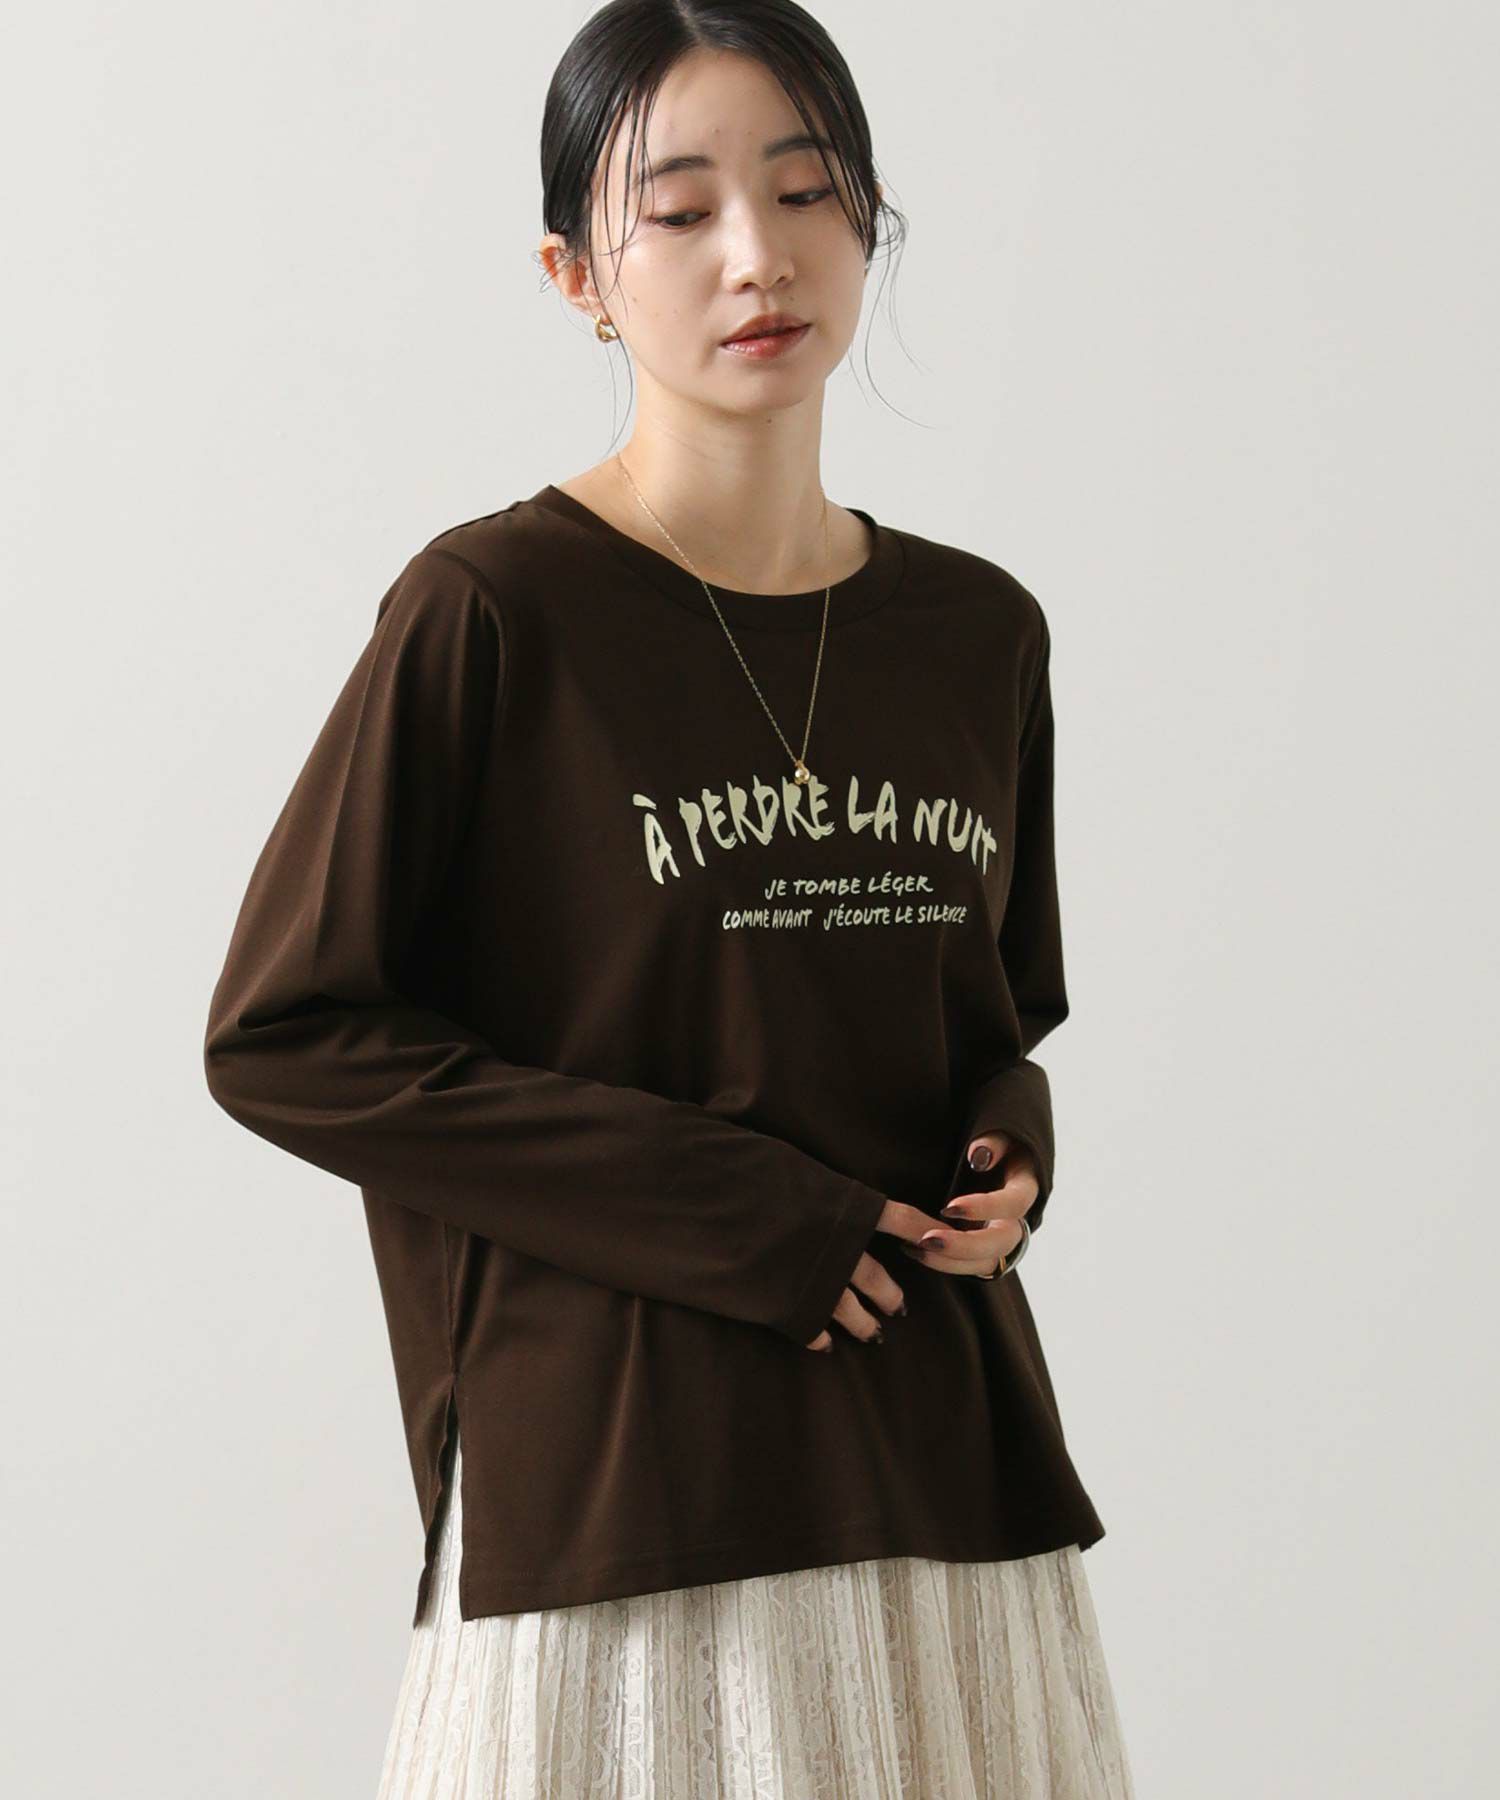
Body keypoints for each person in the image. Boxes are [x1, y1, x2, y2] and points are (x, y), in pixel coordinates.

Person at [203, 2, 1137, 1794]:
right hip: (631, 1508)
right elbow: (288, 1037)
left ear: (870, 218)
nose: (757, 256)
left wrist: (1009, 1147)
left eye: (807, 190)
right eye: (682, 210)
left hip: (942, 1480)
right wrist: (739, 1210)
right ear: (578, 276)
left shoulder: (978, 634)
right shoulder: (495, 613)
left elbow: (994, 1012)